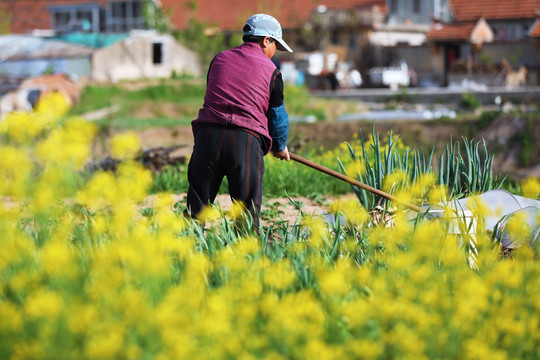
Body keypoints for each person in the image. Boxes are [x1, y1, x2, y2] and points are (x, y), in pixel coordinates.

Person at [186, 14, 293, 228]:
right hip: (244, 141)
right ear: (266, 40)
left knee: (196, 209)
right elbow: (277, 116)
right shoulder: (272, 72)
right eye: (275, 46)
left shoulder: (219, 59)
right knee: (245, 212)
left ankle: (185, 253)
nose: (274, 54)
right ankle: (244, 257)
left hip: (207, 137)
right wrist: (280, 145)